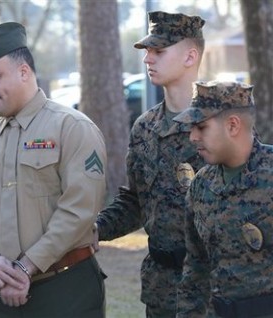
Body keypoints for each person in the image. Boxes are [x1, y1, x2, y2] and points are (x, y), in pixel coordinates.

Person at [0, 22, 108, 318]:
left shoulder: (73, 129)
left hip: (66, 291)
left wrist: (26, 267)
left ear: (24, 71)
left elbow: (79, 210)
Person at [94, 11, 207, 317]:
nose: (147, 60)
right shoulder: (145, 128)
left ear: (190, 56)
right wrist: (94, 230)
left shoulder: (221, 124)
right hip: (161, 290)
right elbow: (136, 202)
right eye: (147, 52)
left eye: (158, 51)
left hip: (213, 292)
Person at [173, 81, 273, 318]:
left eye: (201, 127)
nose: (192, 137)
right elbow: (195, 268)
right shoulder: (200, 185)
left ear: (232, 125)